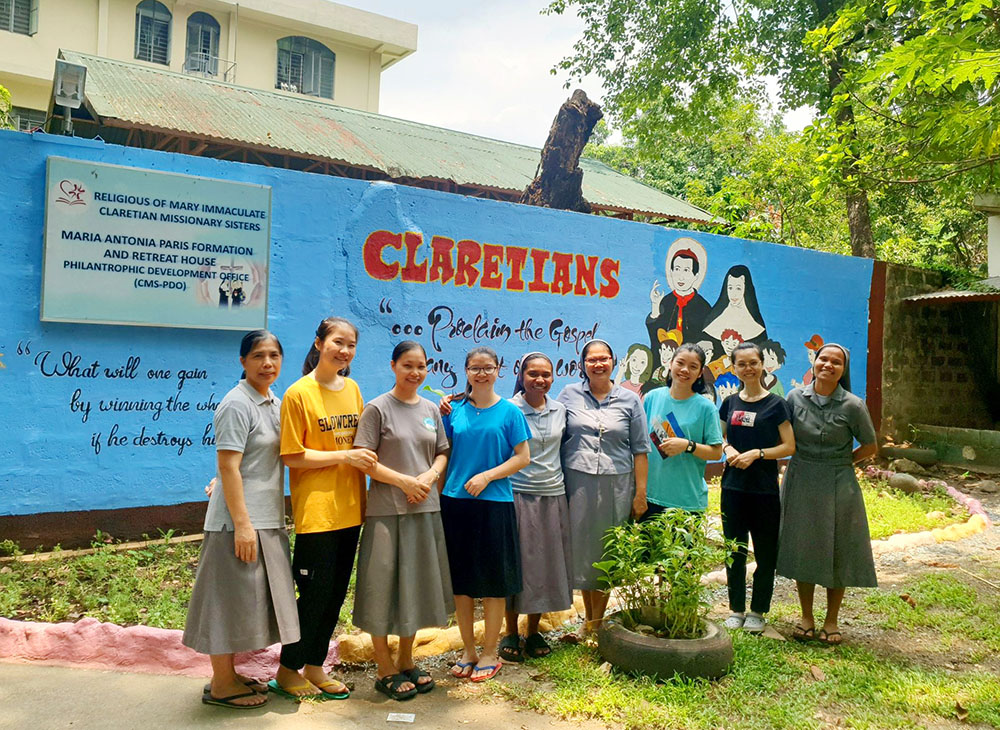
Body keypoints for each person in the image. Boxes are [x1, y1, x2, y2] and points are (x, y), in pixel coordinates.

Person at [183, 330, 298, 709]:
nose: (267, 363)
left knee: (244, 601)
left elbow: (244, 461)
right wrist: (243, 524)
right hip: (238, 521)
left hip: (265, 517)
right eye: (258, 356)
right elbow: (228, 466)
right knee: (225, 601)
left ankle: (230, 675)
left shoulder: (272, 402)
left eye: (274, 356)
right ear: (243, 361)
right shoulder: (236, 403)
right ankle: (220, 684)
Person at [271, 317, 378, 700]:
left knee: (334, 594)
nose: (344, 350)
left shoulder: (352, 389)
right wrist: (344, 455)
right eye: (337, 342)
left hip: (352, 508)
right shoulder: (298, 394)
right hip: (318, 511)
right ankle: (287, 669)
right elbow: (292, 455)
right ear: (319, 343)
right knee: (313, 594)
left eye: (351, 345)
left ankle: (315, 666)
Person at [352, 341, 452, 701]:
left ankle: (406, 659)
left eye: (421, 366)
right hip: (387, 510)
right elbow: (364, 459)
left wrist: (427, 479)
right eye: (407, 365)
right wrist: (404, 482)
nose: (415, 372)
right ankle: (384, 666)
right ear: (393, 366)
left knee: (415, 585)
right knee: (383, 587)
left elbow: (442, 451)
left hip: (424, 508)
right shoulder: (377, 409)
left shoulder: (430, 409)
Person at [440, 346, 531, 682]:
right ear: (465, 371)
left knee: (494, 583)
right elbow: (444, 454)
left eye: (488, 367)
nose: (481, 373)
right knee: (461, 583)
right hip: (455, 503)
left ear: (499, 371)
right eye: (475, 368)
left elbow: (523, 457)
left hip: (495, 503)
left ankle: (491, 653)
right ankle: (468, 650)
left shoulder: (510, 412)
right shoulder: (454, 410)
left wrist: (488, 475)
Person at [777, 343, 878, 645]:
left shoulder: (853, 405)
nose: (828, 365)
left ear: (843, 370)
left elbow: (871, 446)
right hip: (802, 477)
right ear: (815, 362)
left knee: (839, 548)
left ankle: (831, 620)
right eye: (824, 359)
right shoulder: (794, 398)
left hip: (838, 481)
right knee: (803, 545)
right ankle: (806, 617)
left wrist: (844, 463)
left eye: (836, 362)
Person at [557, 339, 650, 635]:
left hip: (617, 484)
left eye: (604, 358)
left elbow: (640, 449)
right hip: (577, 482)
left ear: (614, 362)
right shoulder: (569, 394)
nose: (598, 364)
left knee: (606, 551)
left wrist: (640, 493)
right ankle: (590, 622)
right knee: (584, 552)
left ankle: (596, 624)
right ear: (583, 364)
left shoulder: (630, 399)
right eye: (591, 359)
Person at [497, 353, 573, 663]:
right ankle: (510, 631)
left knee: (543, 565)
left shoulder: (561, 410)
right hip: (517, 495)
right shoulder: (508, 410)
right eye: (533, 374)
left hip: (552, 494)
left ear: (553, 377)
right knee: (515, 564)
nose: (539, 379)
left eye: (546, 374)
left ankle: (533, 630)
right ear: (521, 375)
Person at [718, 342, 795, 634]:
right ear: (734, 368)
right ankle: (736, 608)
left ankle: (758, 611)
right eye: (742, 364)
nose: (748, 368)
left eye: (753, 362)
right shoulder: (730, 403)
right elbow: (720, 436)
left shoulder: (776, 404)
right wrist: (727, 448)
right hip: (733, 489)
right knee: (734, 550)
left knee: (765, 553)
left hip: (763, 490)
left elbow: (789, 446)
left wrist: (757, 454)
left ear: (762, 365)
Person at [642, 343, 723, 516]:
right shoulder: (651, 398)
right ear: (670, 364)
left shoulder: (706, 408)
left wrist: (688, 446)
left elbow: (716, 452)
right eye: (680, 363)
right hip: (650, 497)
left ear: (700, 373)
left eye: (693, 366)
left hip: (686, 502)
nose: (685, 370)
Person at [646, 245, 711, 351]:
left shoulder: (703, 307)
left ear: (696, 276)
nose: (681, 276)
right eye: (677, 269)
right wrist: (655, 306)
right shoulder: (665, 301)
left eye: (686, 270)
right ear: (671, 272)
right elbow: (655, 337)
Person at [702, 264, 768, 347]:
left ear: (746, 289)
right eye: (730, 288)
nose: (733, 294)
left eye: (738, 288)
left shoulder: (757, 328)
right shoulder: (714, 320)